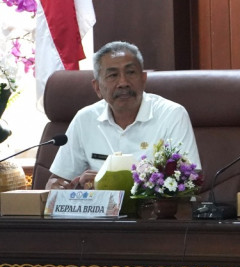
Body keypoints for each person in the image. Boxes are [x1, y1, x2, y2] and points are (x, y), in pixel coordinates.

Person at [46, 41, 201, 190]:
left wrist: (108, 183)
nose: (123, 83)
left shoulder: (172, 115)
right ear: (97, 87)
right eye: (113, 75)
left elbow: (189, 180)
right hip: (101, 209)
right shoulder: (84, 119)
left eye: (130, 73)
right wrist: (57, 186)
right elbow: (58, 179)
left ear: (143, 79)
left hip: (154, 208)